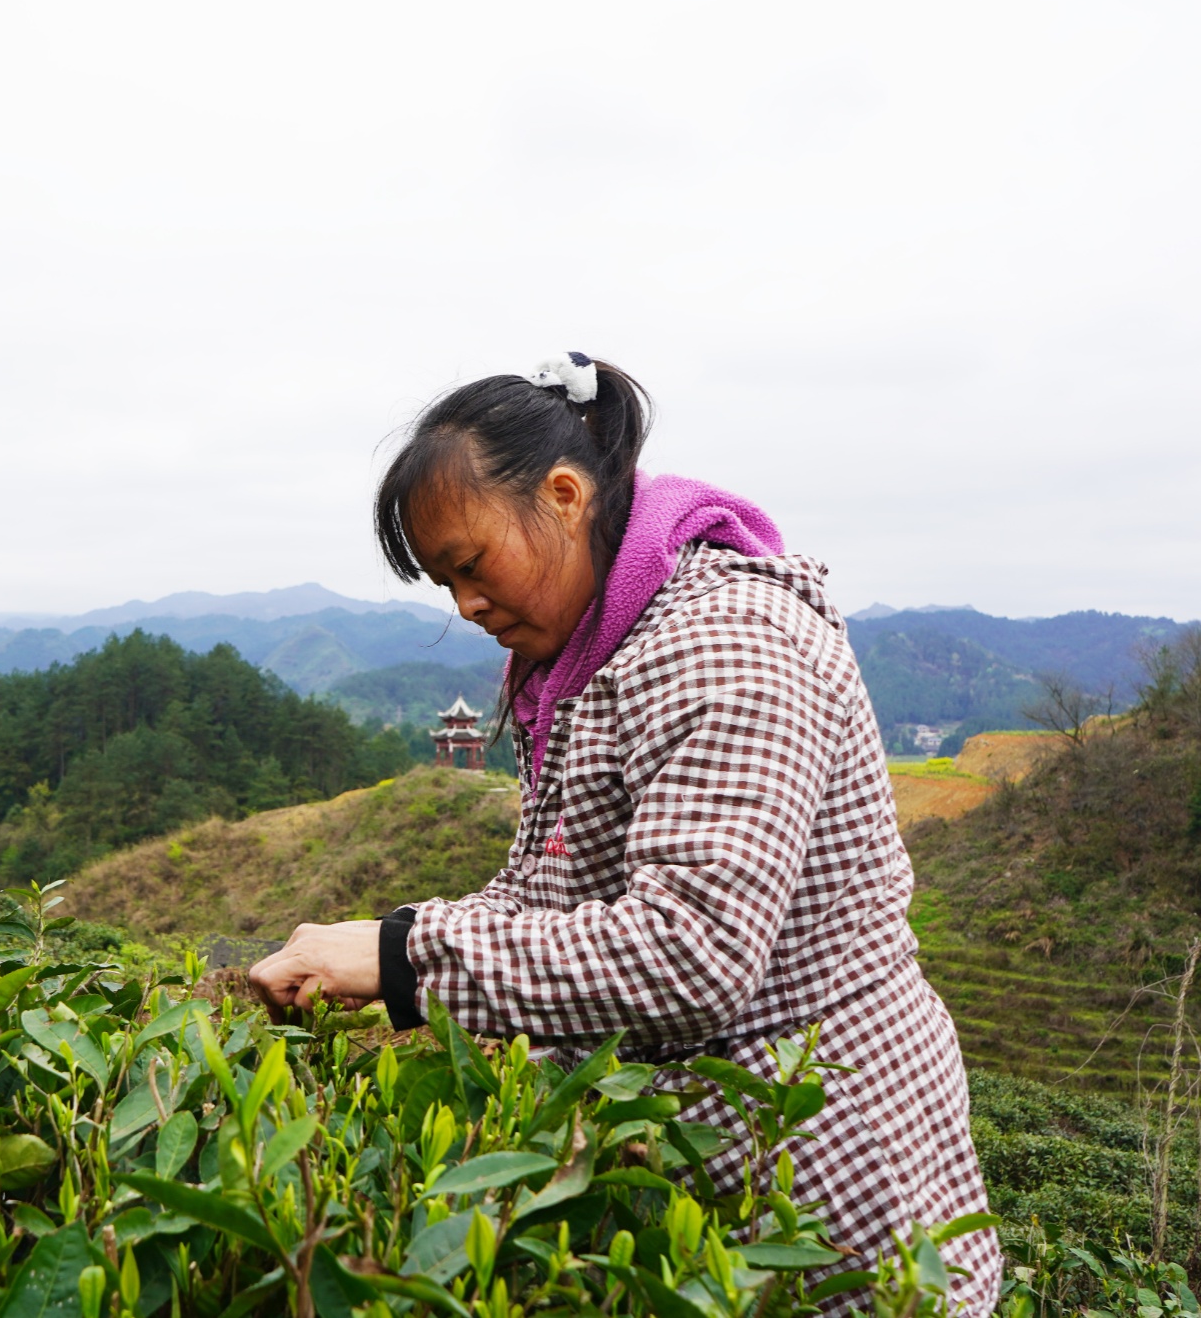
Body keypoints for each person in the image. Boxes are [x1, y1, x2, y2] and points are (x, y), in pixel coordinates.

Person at [248, 354, 999, 1311]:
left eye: (470, 565)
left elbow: (692, 951)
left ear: (563, 495)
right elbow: (545, 896)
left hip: (821, 1172)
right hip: (698, 1180)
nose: (465, 606)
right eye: (443, 582)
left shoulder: (722, 643)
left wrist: (403, 956)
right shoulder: (590, 656)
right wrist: (381, 968)